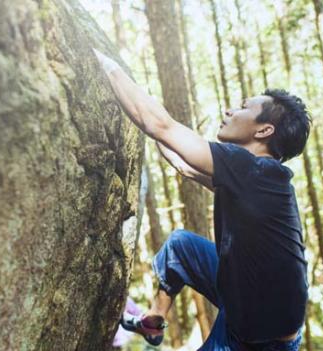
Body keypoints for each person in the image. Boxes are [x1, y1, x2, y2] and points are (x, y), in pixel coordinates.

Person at [93, 49, 310, 351]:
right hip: (242, 303)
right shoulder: (253, 179)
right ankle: (154, 319)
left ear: (264, 130)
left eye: (243, 108)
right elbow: (181, 162)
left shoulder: (255, 170)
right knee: (181, 246)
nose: (229, 111)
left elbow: (160, 125)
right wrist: (152, 124)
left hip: (257, 342)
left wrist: (105, 64)